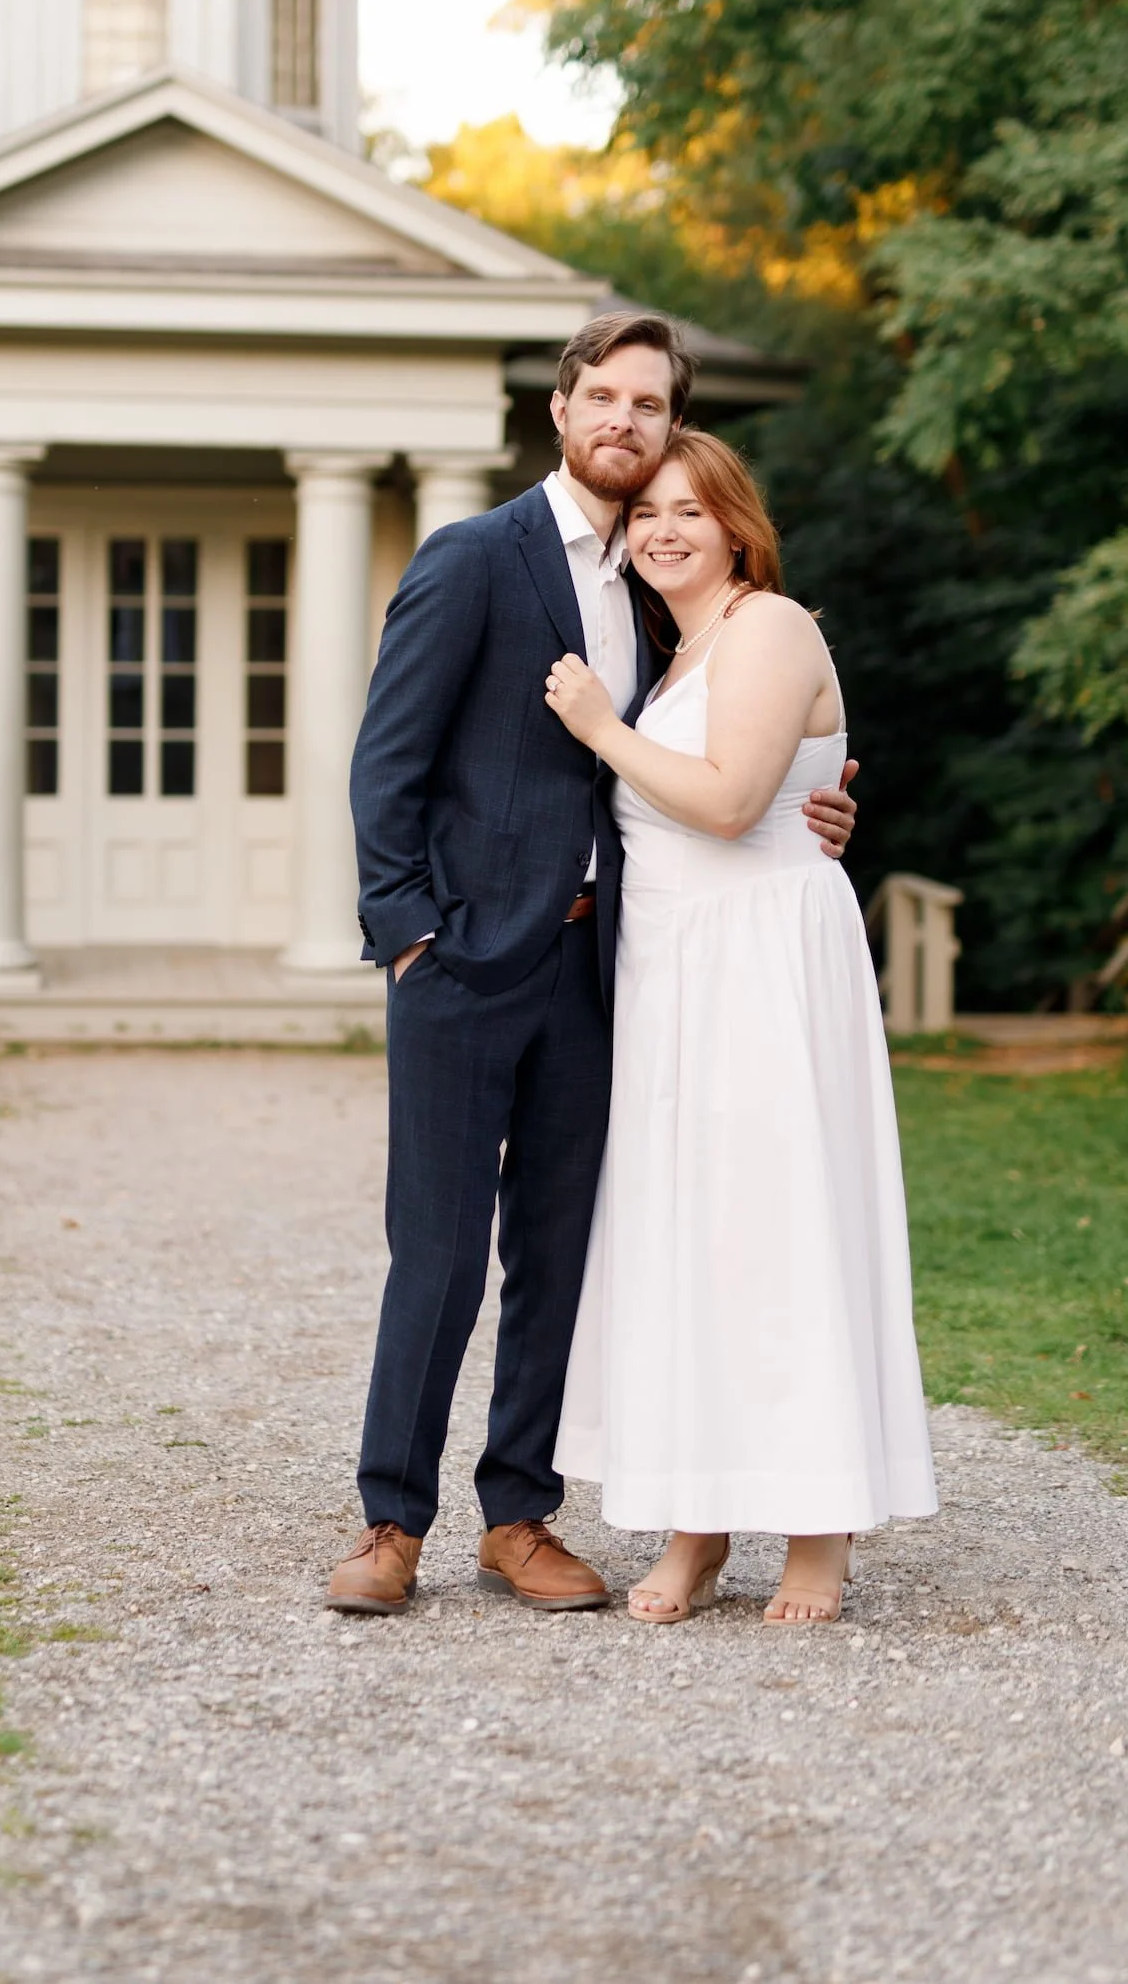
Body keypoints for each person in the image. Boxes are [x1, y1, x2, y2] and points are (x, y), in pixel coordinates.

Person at [326, 314, 860, 1615]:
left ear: (668, 429)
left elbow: (736, 742)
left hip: (605, 970)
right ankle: (389, 1525)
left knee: (564, 1249)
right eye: (602, 398)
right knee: (439, 1249)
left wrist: (821, 804)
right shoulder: (472, 560)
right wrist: (406, 935)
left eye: (648, 405)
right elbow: (384, 763)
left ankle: (519, 1517)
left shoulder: (661, 583)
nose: (623, 421)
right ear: (560, 409)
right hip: (460, 964)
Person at [549, 430, 937, 1623]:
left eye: (690, 510)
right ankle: (697, 1523)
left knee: (781, 1228)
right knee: (684, 1241)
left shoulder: (768, 624)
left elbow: (725, 805)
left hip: (760, 964)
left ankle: (819, 1534)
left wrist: (598, 729)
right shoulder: (680, 652)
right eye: (647, 512)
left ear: (734, 527)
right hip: (673, 977)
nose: (663, 528)